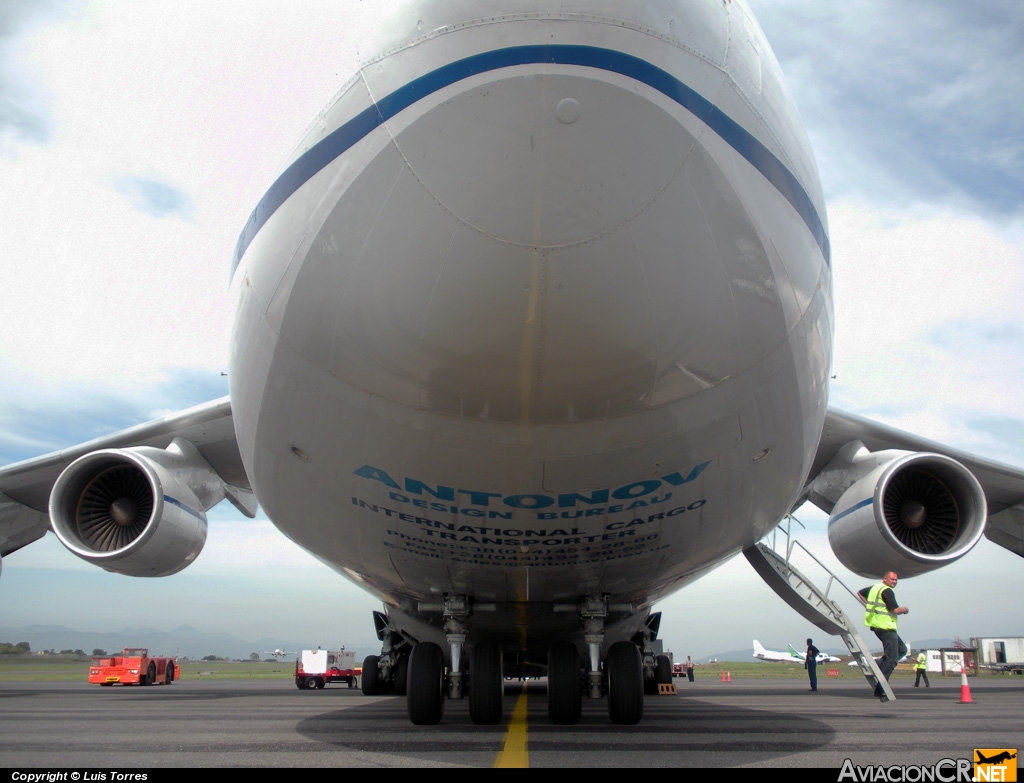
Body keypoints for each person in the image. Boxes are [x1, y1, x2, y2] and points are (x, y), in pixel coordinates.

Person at [858, 570, 909, 700]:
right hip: (885, 627)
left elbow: (860, 593)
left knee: (902, 650)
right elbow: (895, 610)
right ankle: (880, 689)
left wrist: (869, 606)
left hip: (877, 626)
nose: (894, 582)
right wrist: (905, 609)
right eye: (892, 579)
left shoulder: (875, 588)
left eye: (896, 580)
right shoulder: (887, 591)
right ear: (885, 579)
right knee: (891, 659)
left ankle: (879, 663)